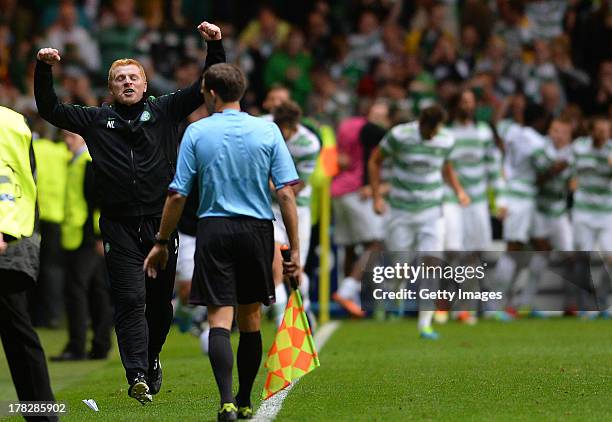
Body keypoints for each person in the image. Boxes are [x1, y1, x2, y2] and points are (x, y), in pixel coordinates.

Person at [34, 22, 226, 404]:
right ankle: (136, 373)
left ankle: (151, 357)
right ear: (111, 88)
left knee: (158, 306)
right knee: (129, 301)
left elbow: (206, 86)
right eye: (119, 78)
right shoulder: (94, 120)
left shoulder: (166, 109)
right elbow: (49, 109)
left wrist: (214, 45)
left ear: (144, 83)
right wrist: (44, 69)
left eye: (133, 77)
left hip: (161, 226)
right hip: (118, 227)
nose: (126, 82)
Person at [143, 63, 300, 421]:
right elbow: (287, 195)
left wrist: (162, 241)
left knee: (218, 318)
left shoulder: (197, 132)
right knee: (251, 318)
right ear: (241, 92)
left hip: (213, 230)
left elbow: (177, 195)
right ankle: (246, 398)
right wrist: (295, 249)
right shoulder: (268, 130)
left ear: (211, 93)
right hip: (258, 230)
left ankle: (227, 400)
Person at [369, 104, 469, 339]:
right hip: (401, 211)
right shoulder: (399, 136)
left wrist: (459, 190)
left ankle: (425, 324)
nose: (433, 136)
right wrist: (376, 196)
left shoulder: (446, 139)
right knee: (399, 269)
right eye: (429, 131)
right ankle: (396, 291)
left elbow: (446, 165)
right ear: (421, 123)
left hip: (432, 212)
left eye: (436, 131)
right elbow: (375, 161)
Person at [0, 105, 57, 421]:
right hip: (17, 237)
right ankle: (43, 414)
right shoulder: (13, 121)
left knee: (19, 335)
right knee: (19, 335)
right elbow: (21, 178)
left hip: (7, 237)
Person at [51, 130, 113, 361]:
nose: (67, 141)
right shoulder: (77, 162)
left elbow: (98, 202)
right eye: (65, 137)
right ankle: (100, 344)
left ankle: (76, 346)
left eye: (71, 137)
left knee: (75, 290)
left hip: (86, 237)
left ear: (83, 139)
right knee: (96, 291)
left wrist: (99, 236)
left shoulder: (87, 162)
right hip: (79, 235)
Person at [271, 100, 320, 326]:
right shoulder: (265, 130)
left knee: (295, 269)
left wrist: (270, 185)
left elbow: (298, 187)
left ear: (294, 126)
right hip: (269, 208)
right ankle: (283, 322)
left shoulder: (308, 144)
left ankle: (304, 306)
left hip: (297, 207)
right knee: (275, 266)